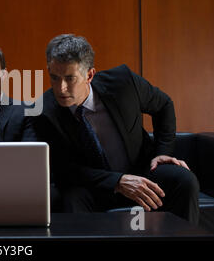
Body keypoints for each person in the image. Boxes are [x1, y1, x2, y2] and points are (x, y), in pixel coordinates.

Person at [34, 34, 199, 224]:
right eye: (54, 77)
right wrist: (118, 182)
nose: (60, 88)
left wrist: (163, 153)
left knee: (185, 181)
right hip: (94, 186)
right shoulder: (43, 111)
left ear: (89, 75)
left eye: (69, 79)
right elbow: (64, 170)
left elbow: (164, 105)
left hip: (142, 170)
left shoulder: (123, 83)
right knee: (70, 199)